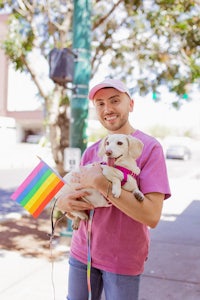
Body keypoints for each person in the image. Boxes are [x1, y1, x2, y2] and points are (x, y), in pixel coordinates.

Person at [57, 78, 171, 300]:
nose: (107, 109)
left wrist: (101, 182)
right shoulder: (92, 151)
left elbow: (152, 216)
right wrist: (62, 203)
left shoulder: (150, 149)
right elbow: (78, 198)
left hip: (122, 259)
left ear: (131, 104)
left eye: (114, 100)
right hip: (82, 252)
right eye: (100, 103)